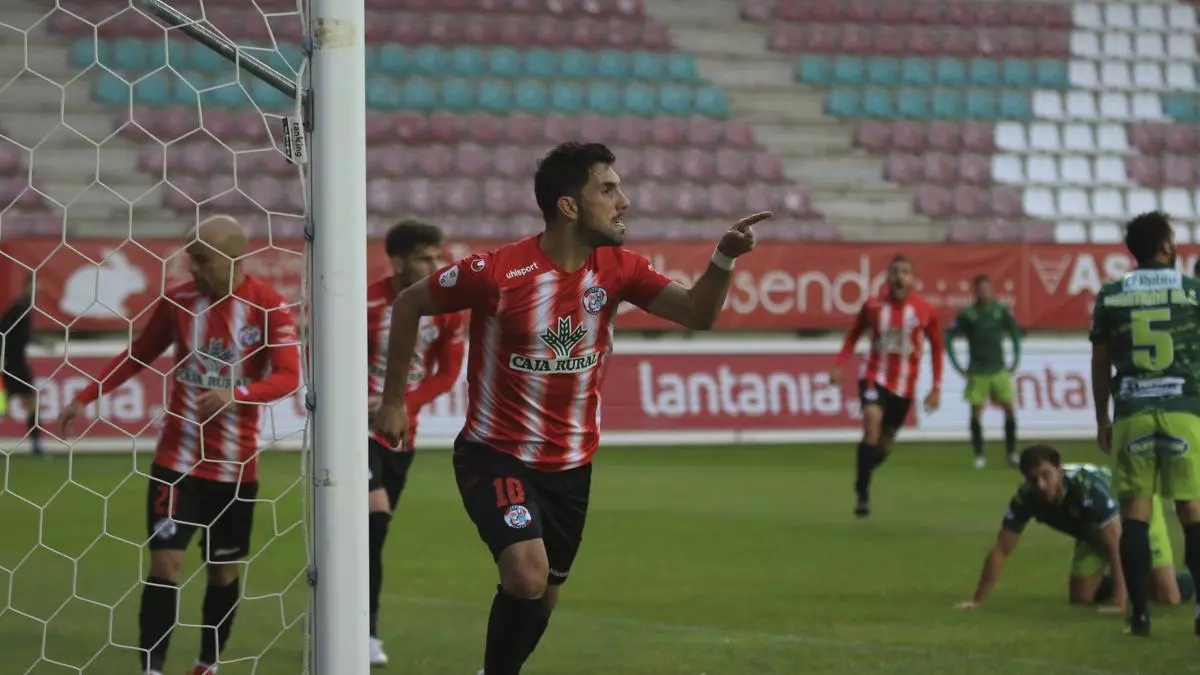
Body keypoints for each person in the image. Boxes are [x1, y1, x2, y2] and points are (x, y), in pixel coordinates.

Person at [371, 141, 771, 675]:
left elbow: (698, 312)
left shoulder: (619, 269)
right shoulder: (496, 273)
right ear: (569, 206)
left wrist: (724, 257)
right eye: (607, 190)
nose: (623, 201)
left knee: (544, 596)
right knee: (526, 575)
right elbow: (409, 302)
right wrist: (394, 401)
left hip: (571, 467)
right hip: (496, 454)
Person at [57, 215, 302, 675]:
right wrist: (86, 396)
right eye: (191, 258)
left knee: (222, 571)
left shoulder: (269, 306)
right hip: (177, 462)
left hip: (234, 468)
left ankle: (207, 664)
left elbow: (289, 376)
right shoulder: (179, 300)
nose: (193, 268)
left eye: (202, 259)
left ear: (234, 258)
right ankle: (152, 669)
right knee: (165, 563)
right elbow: (139, 354)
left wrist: (236, 394)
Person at [1090, 210, 1200, 637]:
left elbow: (1100, 362)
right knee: (1191, 510)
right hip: (1183, 411)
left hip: (1133, 413)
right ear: (1166, 245)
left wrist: (1102, 418)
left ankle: (1138, 615)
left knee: (1136, 514)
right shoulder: (1192, 293)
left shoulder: (1112, 294)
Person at [366, 220, 466, 667]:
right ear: (398, 260)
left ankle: (334, 613)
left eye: (437, 257)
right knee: (374, 515)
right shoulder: (363, 303)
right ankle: (365, 631)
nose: (434, 266)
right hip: (353, 429)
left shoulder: (446, 309)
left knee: (372, 534)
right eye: (424, 258)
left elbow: (447, 373)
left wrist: (400, 404)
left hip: (400, 433)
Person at [956, 444, 1192, 612]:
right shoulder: (1025, 498)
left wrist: (1119, 602)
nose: (1040, 485)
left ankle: (1188, 578)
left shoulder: (1088, 486)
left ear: (1059, 470)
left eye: (1046, 475)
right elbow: (1002, 549)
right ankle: (1134, 581)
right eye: (1033, 479)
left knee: (1168, 597)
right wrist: (977, 601)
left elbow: (1117, 543)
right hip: (1092, 532)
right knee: (1081, 598)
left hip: (1138, 515)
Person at [831, 254, 943, 518]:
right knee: (872, 421)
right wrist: (839, 364)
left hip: (904, 386)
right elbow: (854, 335)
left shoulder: (924, 310)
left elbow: (937, 348)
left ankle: (863, 472)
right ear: (888, 277)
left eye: (905, 272)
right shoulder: (873, 306)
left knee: (883, 446)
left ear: (913, 279)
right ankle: (863, 493)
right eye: (895, 272)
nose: (899, 277)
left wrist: (936, 386)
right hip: (874, 375)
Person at [946, 274, 1022, 469]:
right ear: (975, 291)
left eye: (987, 289)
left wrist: (1016, 359)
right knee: (976, 414)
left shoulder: (1001, 311)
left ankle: (1011, 453)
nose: (984, 293)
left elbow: (1015, 333)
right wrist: (957, 365)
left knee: (1009, 410)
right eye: (980, 289)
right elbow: (949, 338)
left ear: (992, 290)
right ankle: (979, 454)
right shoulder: (968, 314)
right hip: (978, 371)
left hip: (998, 369)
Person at [1, 273, 43, 456]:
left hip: (16, 362)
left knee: (30, 400)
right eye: (35, 285)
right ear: (27, 286)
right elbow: (3, 331)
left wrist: (41, 342)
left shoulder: (25, 308)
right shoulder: (18, 308)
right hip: (11, 363)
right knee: (6, 405)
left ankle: (36, 445)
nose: (38, 290)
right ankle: (36, 446)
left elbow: (22, 335)